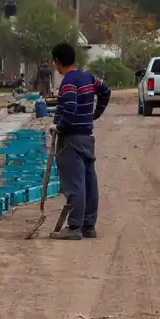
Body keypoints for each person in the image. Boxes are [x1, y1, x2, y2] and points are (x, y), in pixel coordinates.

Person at [49, 41, 111, 241]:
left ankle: (74, 227)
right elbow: (106, 91)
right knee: (89, 182)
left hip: (71, 139)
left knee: (74, 183)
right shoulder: (88, 78)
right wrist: (95, 114)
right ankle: (88, 226)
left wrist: (58, 126)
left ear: (57, 62)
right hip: (87, 137)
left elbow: (70, 108)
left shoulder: (68, 83)